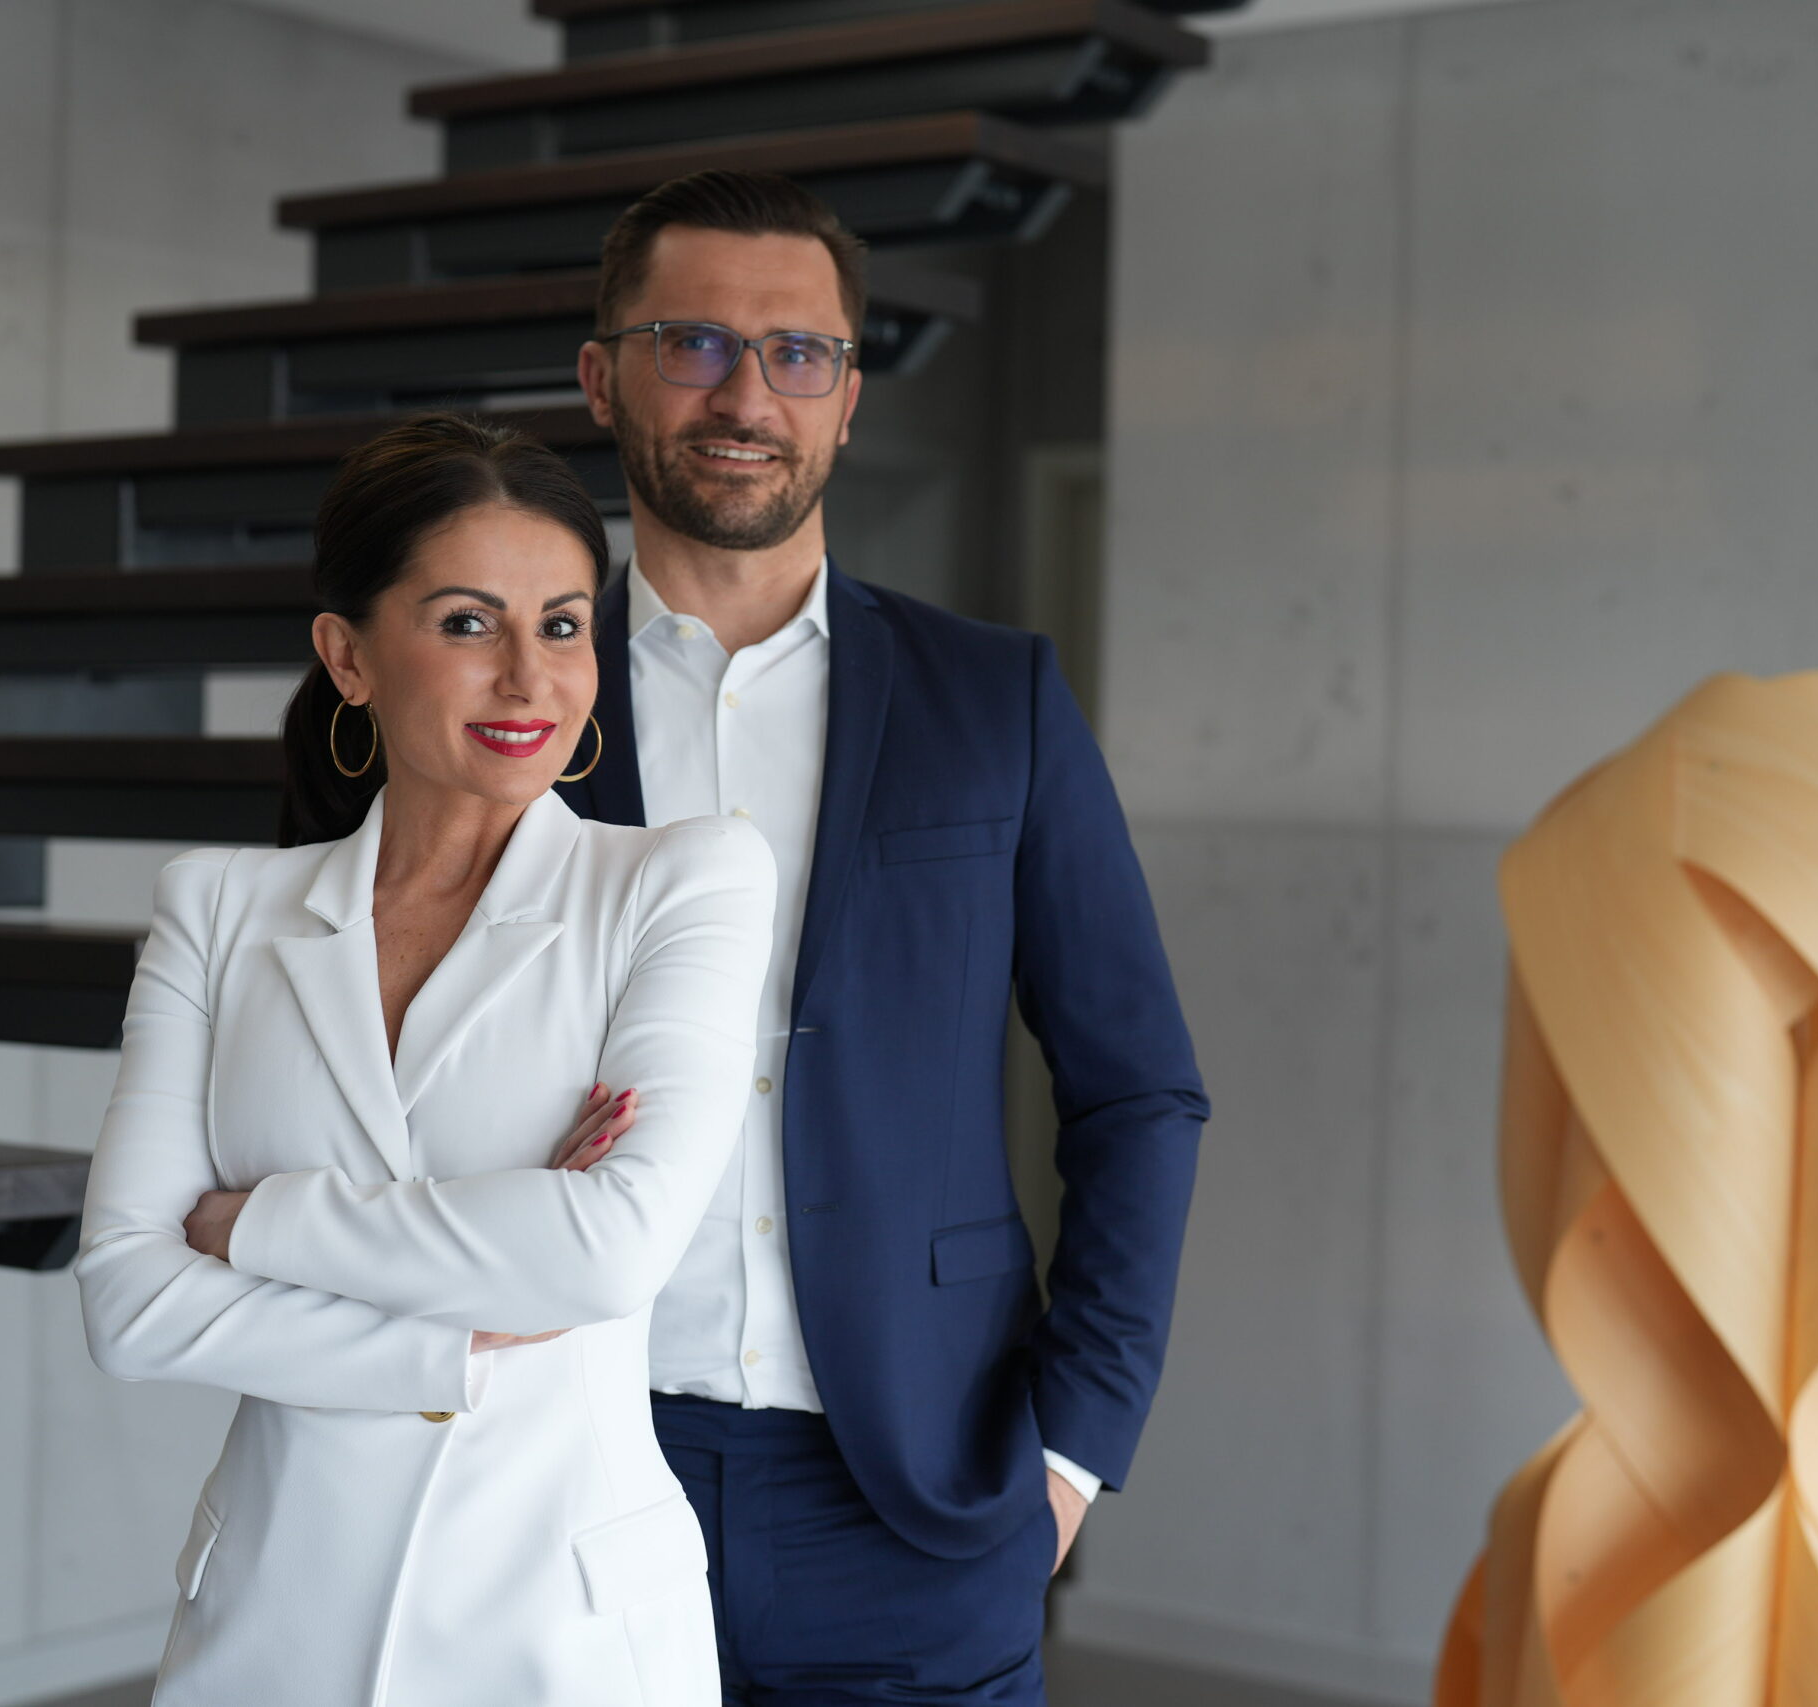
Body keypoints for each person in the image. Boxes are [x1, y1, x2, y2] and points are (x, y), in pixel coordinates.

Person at [559, 170, 1210, 1704]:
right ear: (601, 378)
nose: (747, 395)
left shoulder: (995, 700)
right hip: (569, 1468)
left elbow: (1137, 1091)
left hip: (918, 1496)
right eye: (693, 343)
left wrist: (1072, 1452)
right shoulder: (517, 702)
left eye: (799, 352)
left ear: (848, 398)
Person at [72, 412, 776, 1706]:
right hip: (272, 1624)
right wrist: (461, 1335)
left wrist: (251, 1224)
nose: (528, 677)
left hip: (560, 1634)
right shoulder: (219, 910)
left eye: (562, 625)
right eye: (467, 623)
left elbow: (610, 1253)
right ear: (347, 655)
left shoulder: (682, 882)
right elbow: (128, 1304)